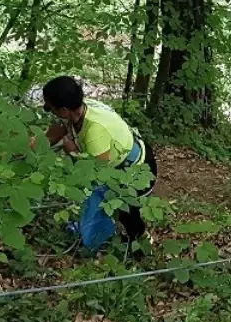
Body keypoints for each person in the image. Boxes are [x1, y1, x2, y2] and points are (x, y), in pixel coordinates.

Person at [38, 76, 157, 250]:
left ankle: (140, 243)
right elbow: (49, 136)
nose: (48, 110)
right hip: (117, 164)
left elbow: (94, 172)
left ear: (64, 110)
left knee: (126, 211)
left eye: (50, 108)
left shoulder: (95, 131)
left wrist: (71, 150)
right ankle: (101, 233)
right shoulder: (77, 109)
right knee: (104, 201)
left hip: (137, 170)